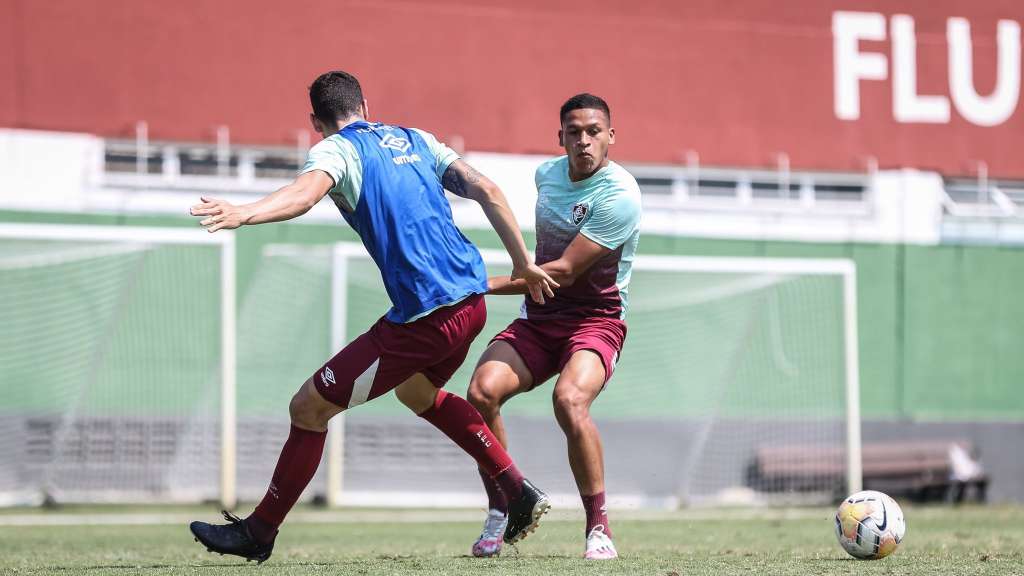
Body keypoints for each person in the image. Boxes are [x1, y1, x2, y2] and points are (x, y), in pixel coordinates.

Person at [187, 70, 556, 563]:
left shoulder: (337, 150)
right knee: (418, 393)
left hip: (426, 316)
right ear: (366, 104)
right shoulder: (415, 139)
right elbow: (487, 189)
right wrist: (523, 261)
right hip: (471, 305)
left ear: (316, 122)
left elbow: (304, 194)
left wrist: (243, 212)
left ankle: (259, 532)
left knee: (308, 408)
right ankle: (517, 489)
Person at [465, 93, 641, 560]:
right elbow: (544, 279)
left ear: (610, 137)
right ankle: (506, 504)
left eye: (594, 132)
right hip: (540, 316)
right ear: (560, 137)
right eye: (574, 132)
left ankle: (598, 527)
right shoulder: (546, 176)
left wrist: (473, 285)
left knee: (569, 399)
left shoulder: (620, 196)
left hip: (594, 321)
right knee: (481, 393)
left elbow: (562, 271)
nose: (584, 140)